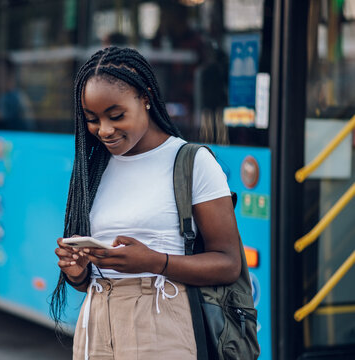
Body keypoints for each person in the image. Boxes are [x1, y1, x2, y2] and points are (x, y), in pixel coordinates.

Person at [51, 47, 241, 359]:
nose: (105, 130)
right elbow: (91, 280)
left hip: (162, 321)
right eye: (92, 119)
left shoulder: (192, 162)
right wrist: (78, 272)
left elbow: (228, 263)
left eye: (116, 116)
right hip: (96, 324)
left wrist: (155, 262)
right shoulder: (95, 166)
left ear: (146, 98)